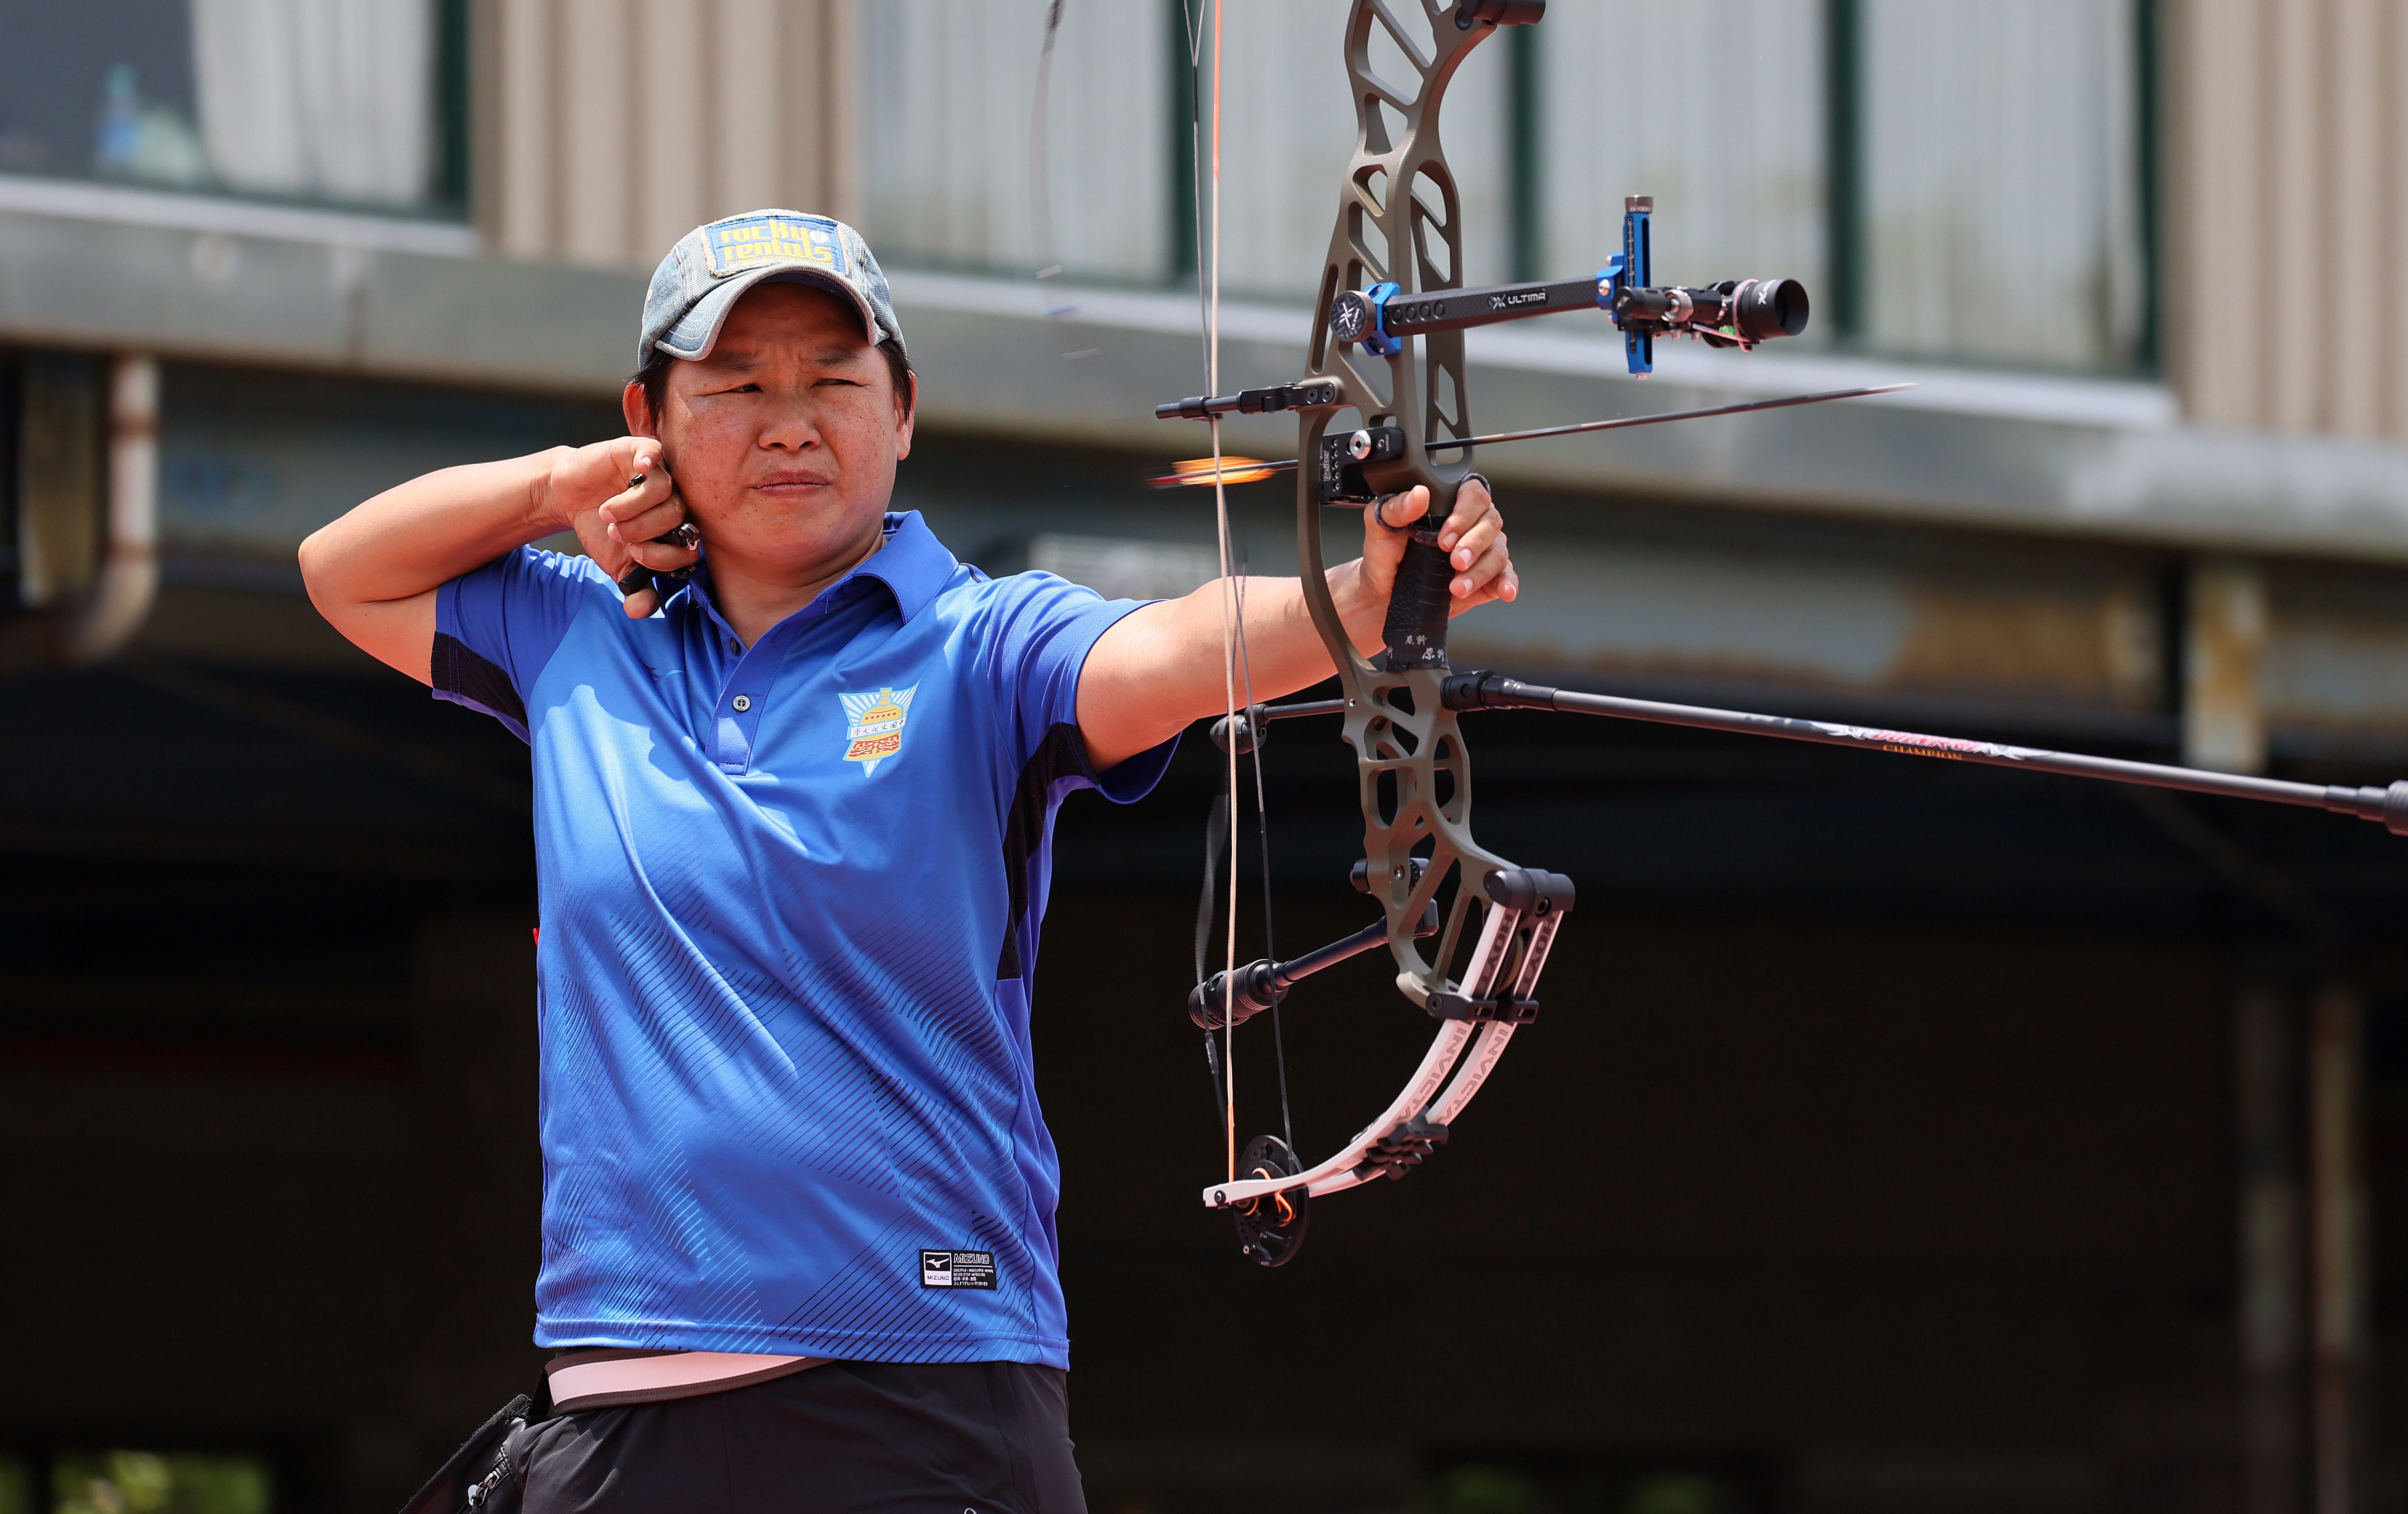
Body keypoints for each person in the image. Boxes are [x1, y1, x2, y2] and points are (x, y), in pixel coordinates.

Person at [299, 210, 1516, 1513]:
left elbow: (1176, 647)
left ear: (905, 411)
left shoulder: (980, 645)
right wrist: (557, 488)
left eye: (834, 379)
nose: (789, 421)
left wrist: (1370, 592)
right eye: (734, 385)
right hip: (619, 1400)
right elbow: (341, 570)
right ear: (646, 416)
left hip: (921, 1386)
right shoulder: (575, 634)